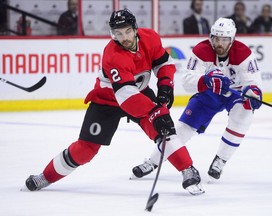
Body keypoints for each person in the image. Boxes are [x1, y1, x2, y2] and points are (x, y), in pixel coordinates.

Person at [24, 9, 204, 195]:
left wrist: (166, 87)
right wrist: (154, 111)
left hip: (140, 93)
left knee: (165, 130)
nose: (123, 37)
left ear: (135, 29)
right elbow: (126, 96)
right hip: (107, 101)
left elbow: (163, 64)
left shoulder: (150, 37)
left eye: (127, 31)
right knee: (86, 149)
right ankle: (45, 177)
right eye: (118, 33)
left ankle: (188, 169)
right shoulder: (113, 54)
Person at [131, 17, 262, 182]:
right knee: (182, 128)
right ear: (211, 37)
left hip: (234, 94)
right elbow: (187, 82)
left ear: (232, 39)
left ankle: (220, 160)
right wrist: (206, 80)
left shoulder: (243, 53)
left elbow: (253, 81)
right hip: (210, 94)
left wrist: (254, 93)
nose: (219, 44)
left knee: (244, 114)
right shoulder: (201, 50)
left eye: (224, 39)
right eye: (216, 39)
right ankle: (152, 161)